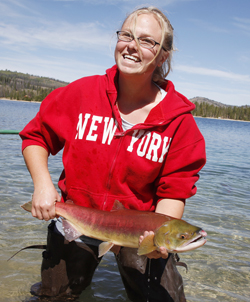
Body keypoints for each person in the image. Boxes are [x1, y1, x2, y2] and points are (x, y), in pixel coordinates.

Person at [20, 6, 206, 302]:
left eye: (147, 41)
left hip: (138, 231)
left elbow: (175, 190)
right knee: (53, 298)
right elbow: (35, 137)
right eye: (126, 35)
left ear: (162, 56)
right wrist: (43, 186)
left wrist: (159, 238)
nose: (132, 45)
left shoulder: (180, 124)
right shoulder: (82, 93)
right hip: (76, 218)